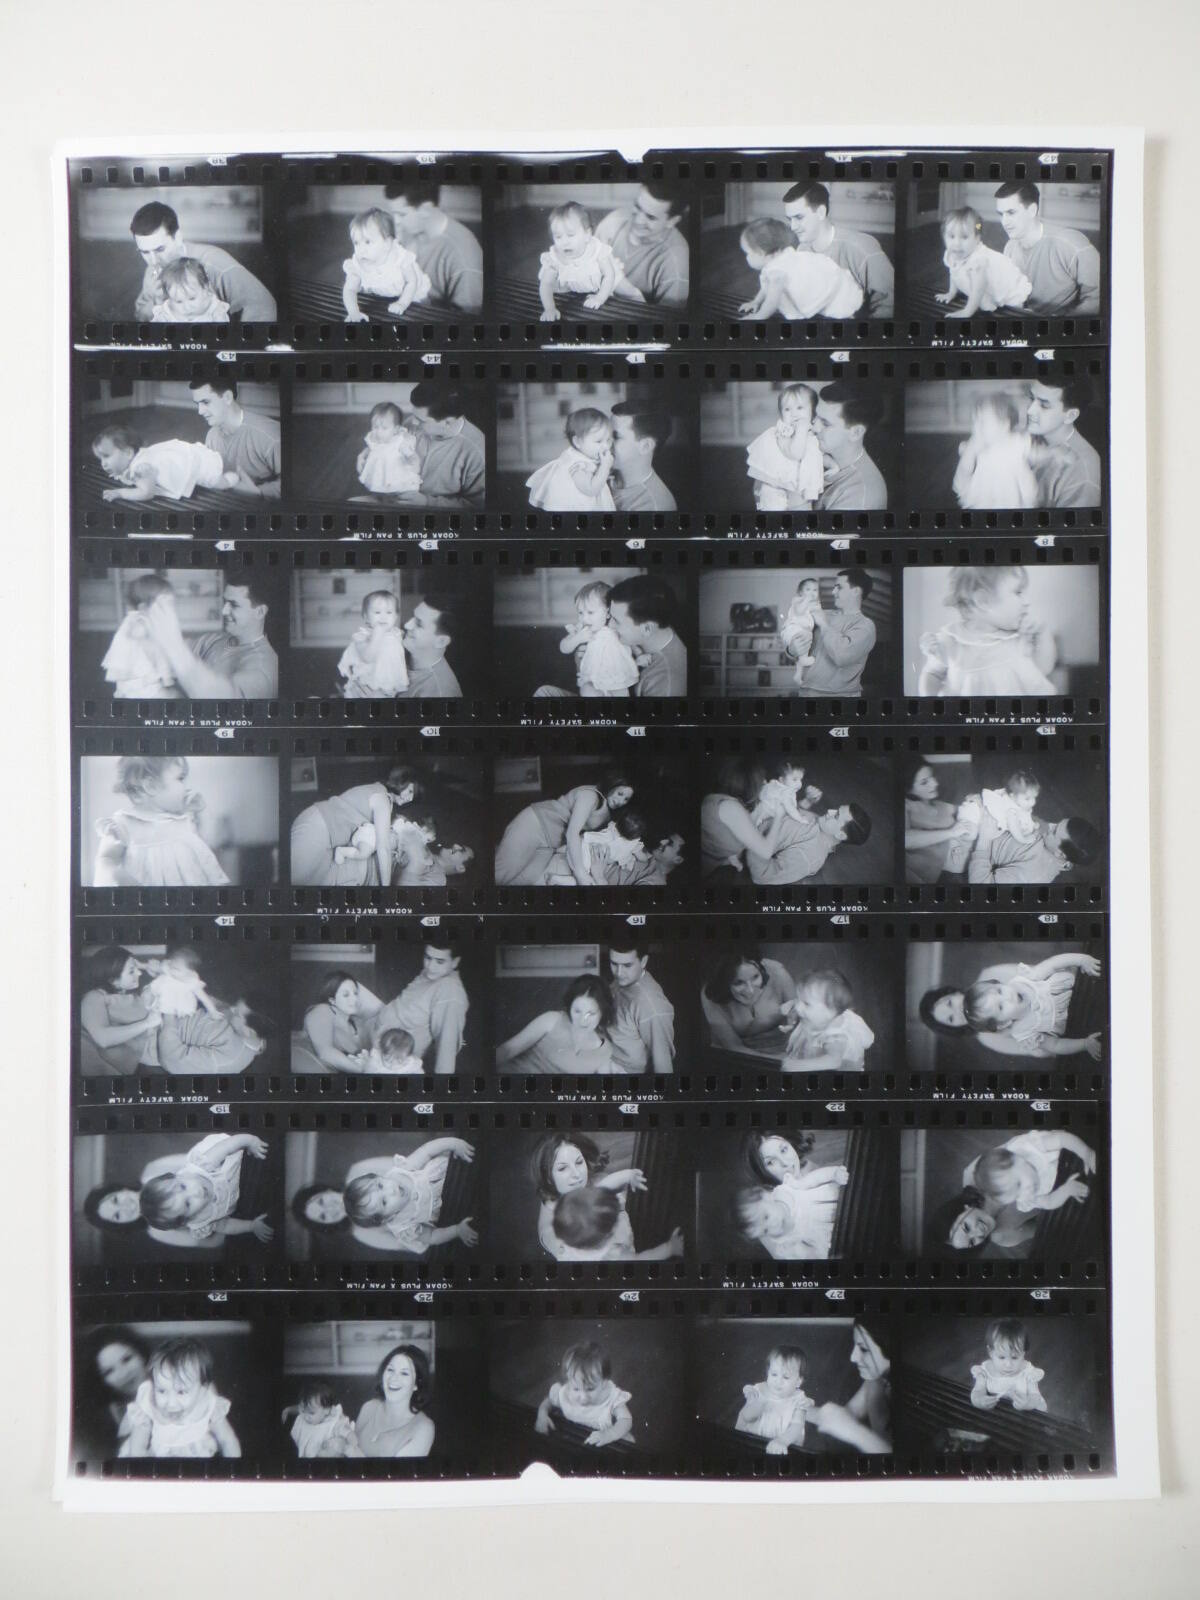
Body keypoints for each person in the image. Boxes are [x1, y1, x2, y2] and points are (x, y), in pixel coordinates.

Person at [919, 951, 1103, 1061]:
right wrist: (1035, 1047)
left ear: (953, 993)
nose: (958, 1011)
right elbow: (1051, 1049)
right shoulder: (994, 1038)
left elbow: (1049, 967)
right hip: (1075, 1026)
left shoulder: (997, 977)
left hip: (1078, 985)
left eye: (950, 1003)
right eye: (951, 1018)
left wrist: (1081, 961)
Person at [530, 1132, 682, 1262]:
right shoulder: (607, 1253)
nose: (576, 1174)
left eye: (579, 1162)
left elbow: (603, 1186)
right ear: (548, 1177)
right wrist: (669, 1248)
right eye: (563, 1168)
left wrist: (629, 1175)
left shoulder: (575, 1200)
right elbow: (638, 1260)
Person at [916, 566, 1057, 699]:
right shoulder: (951, 640)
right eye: (1018, 592)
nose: (1027, 602)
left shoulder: (1018, 636)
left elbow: (1043, 669)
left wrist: (1043, 634)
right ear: (983, 601)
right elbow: (932, 674)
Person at [92, 755, 229, 888]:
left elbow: (207, 846)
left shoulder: (183, 816)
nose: (185, 787)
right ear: (151, 786)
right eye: (180, 778)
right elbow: (106, 858)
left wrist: (200, 812)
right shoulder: (124, 823)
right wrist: (115, 875)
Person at [129, 201, 276, 323]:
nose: (153, 260)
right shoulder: (152, 269)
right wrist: (156, 301)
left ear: (178, 237)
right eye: (145, 252)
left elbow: (263, 304)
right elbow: (140, 316)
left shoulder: (214, 264)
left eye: (160, 249)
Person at [135, 576, 279, 700]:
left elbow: (219, 700)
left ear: (260, 612)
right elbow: (165, 652)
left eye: (234, 605)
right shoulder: (217, 640)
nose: (224, 611)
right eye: (225, 602)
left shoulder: (263, 668)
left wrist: (173, 641)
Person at [493, 770, 634, 887]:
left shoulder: (608, 813)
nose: (621, 801)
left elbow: (585, 837)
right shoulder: (590, 795)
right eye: (620, 794)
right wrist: (580, 873)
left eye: (626, 799)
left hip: (550, 844)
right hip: (535, 824)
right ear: (611, 785)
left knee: (524, 881)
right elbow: (572, 833)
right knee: (500, 875)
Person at [289, 764, 421, 888]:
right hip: (319, 825)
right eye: (410, 791)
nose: (410, 798)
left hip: (328, 837)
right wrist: (386, 889)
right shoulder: (382, 798)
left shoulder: (383, 797)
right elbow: (383, 847)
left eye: (413, 796)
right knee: (291, 879)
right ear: (400, 782)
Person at [338, 1138, 477, 1255]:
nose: (390, 1190)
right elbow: (431, 1236)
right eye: (384, 1201)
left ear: (379, 1177)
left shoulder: (401, 1171)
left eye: (380, 1185)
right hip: (454, 1204)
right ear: (388, 1218)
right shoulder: (404, 1227)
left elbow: (428, 1150)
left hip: (454, 1170)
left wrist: (453, 1144)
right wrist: (457, 1230)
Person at [783, 182, 894, 317]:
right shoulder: (802, 250)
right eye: (789, 219)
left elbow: (890, 304)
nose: (793, 227)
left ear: (821, 212)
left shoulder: (861, 247)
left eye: (799, 217)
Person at [733, 1131, 849, 1260]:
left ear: (790, 1142)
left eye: (784, 1150)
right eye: (770, 1162)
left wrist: (836, 1175)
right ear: (761, 1171)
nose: (785, 1162)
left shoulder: (801, 1177)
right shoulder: (766, 1222)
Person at [120, 1337, 241, 1458]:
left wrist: (232, 1467)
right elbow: (137, 1449)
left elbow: (228, 1440)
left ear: (202, 1389)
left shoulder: (208, 1404)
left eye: (181, 1392)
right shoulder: (149, 1403)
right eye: (161, 1391)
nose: (171, 1403)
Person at [994, 182, 1101, 317]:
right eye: (1001, 214)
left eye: (1011, 212)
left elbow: (1098, 298)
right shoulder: (1010, 247)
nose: (1004, 222)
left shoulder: (1071, 244)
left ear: (1032, 210)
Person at [369, 942, 471, 1077]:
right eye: (428, 958)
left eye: (440, 961)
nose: (430, 966)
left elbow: (447, 1045)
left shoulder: (450, 992)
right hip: (375, 1035)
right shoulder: (431, 974)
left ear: (455, 962)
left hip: (389, 1057)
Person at [384, 184, 484, 313]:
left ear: (426, 209)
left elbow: (466, 320)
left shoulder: (464, 258)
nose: (396, 221)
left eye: (402, 214)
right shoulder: (409, 230)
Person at [738, 217, 862, 321]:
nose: (746, 258)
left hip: (831, 291)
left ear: (763, 253)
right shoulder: (782, 257)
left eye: (748, 253)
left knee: (836, 310)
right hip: (832, 283)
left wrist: (758, 317)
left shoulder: (778, 271)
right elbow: (767, 287)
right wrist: (756, 302)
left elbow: (772, 301)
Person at [496, 974, 617, 1075]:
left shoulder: (604, 1051)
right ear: (570, 1006)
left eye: (591, 1013)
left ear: (603, 1012)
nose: (582, 1021)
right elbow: (508, 1050)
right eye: (577, 1011)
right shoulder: (552, 1019)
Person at [594, 184, 690, 307]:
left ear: (672, 221)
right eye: (638, 207)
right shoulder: (613, 221)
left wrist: (630, 293)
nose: (638, 221)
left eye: (651, 217)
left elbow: (667, 318)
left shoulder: (676, 264)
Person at [188, 371, 281, 498]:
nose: (200, 411)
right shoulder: (212, 435)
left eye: (206, 402)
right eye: (197, 404)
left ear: (227, 397)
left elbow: (292, 482)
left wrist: (260, 492)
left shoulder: (271, 436)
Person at [92, 424, 236, 504]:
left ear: (128, 453)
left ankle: (233, 477)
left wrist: (120, 493)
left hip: (197, 466)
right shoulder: (136, 458)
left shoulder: (141, 468)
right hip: (188, 458)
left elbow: (146, 493)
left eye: (106, 457)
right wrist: (119, 473)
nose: (103, 464)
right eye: (100, 459)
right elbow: (128, 475)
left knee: (219, 483)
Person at [537, 201, 631, 319]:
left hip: (605, 279)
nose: (564, 242)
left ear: (587, 235)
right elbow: (546, 284)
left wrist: (600, 298)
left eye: (570, 235)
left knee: (628, 293)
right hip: (577, 287)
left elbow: (609, 275)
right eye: (558, 237)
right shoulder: (555, 257)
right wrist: (549, 308)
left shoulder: (597, 251)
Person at [967, 803, 1102, 885]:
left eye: (1054, 830)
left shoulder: (1033, 874)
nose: (1051, 825)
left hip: (970, 847)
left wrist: (983, 838)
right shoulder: (1053, 843)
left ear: (1060, 854)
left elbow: (980, 884)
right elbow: (1032, 820)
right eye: (1057, 823)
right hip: (985, 824)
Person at [792, 569, 877, 698]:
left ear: (855, 591)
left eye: (839, 587)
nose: (833, 592)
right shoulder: (823, 614)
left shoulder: (865, 626)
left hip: (840, 696)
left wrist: (824, 624)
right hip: (806, 692)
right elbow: (799, 643)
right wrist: (791, 648)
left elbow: (842, 656)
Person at [935, 206, 1031, 318]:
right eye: (951, 236)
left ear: (977, 238)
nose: (957, 243)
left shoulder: (978, 260)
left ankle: (1027, 309)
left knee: (1016, 314)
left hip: (1013, 294)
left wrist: (967, 312)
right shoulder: (953, 254)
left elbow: (978, 288)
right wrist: (951, 293)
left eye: (964, 237)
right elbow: (954, 271)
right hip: (988, 289)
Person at [1025, 372, 1102, 509]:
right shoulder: (1029, 435)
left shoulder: (1083, 473)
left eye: (1044, 405)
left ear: (1070, 416)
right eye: (1031, 398)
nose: (1030, 410)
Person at [553, 579, 642, 696]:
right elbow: (563, 647)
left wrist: (640, 654)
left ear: (608, 613)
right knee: (587, 690)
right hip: (593, 679)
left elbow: (630, 640)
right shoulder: (582, 629)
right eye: (580, 613)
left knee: (621, 693)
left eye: (590, 612)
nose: (584, 618)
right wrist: (577, 638)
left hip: (617, 678)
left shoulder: (615, 626)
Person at [404, 381, 486, 509]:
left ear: (448, 422)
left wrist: (427, 502)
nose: (412, 422)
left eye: (420, 420)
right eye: (413, 415)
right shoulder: (410, 423)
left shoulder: (476, 450)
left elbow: (476, 504)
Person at [535, 1342, 633, 1447]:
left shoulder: (611, 1398)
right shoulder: (566, 1392)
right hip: (575, 1438)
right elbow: (549, 1401)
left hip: (606, 1442)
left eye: (590, 1389)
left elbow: (626, 1420)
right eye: (576, 1389)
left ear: (604, 1382)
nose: (583, 1397)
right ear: (569, 1381)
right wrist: (542, 1415)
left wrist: (608, 1435)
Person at [701, 950, 798, 1057]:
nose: (751, 991)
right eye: (738, 982)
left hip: (784, 1048)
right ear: (723, 983)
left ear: (760, 967)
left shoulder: (777, 972)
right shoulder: (711, 995)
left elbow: (799, 1020)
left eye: (755, 977)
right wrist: (778, 1061)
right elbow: (733, 1046)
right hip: (737, 1055)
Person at [952, 391, 1039, 510]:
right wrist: (970, 452)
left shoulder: (1016, 443)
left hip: (1011, 501)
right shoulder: (974, 447)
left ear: (1004, 425)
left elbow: (1034, 458)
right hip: (982, 501)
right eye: (974, 421)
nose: (976, 427)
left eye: (982, 422)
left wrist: (1053, 454)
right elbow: (962, 477)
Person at [342, 207, 430, 322]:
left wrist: (402, 303)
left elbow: (412, 282)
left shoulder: (400, 258)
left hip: (412, 293)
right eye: (356, 243)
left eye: (368, 242)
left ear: (387, 243)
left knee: (422, 313)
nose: (361, 250)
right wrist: (353, 312)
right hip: (383, 296)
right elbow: (349, 290)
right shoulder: (357, 264)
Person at [746, 384, 824, 511]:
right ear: (781, 415)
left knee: (803, 510)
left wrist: (832, 465)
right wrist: (801, 431)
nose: (794, 413)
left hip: (800, 487)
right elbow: (795, 453)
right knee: (774, 508)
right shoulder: (784, 432)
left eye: (800, 407)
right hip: (776, 485)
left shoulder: (812, 432)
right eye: (787, 409)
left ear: (813, 411)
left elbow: (817, 454)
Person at [812, 383, 888, 511]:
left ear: (855, 433)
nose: (813, 427)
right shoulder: (821, 453)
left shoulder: (858, 495)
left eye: (825, 424)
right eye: (815, 417)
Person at [780, 968, 874, 1072]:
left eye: (806, 1003)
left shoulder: (836, 1034)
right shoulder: (818, 1015)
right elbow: (800, 1009)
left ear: (830, 1012)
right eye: (799, 999)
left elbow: (834, 1061)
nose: (798, 1007)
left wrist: (799, 1066)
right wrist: (791, 1011)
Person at [101, 573, 179, 698]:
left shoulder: (135, 620)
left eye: (172, 604)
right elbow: (154, 651)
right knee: (175, 696)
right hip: (140, 686)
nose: (172, 610)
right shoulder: (140, 623)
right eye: (166, 605)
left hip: (134, 683)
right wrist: (166, 677)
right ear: (144, 607)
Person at [525, 407, 616, 512]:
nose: (605, 446)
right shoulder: (577, 464)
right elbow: (591, 490)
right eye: (599, 441)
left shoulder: (584, 454)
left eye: (608, 440)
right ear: (577, 442)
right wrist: (605, 467)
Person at [606, 943, 675, 1074]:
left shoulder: (651, 1006)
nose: (619, 973)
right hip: (605, 1057)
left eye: (627, 965)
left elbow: (663, 1064)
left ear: (643, 961)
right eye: (614, 963)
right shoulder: (625, 979)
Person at [355, 1344, 435, 1457]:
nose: (393, 1378)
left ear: (416, 1384)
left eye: (404, 1373)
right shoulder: (368, 1407)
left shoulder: (424, 1427)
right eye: (390, 1369)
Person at [904, 762, 977, 882]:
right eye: (924, 782)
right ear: (908, 789)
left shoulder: (938, 804)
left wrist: (973, 800)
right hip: (937, 874)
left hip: (962, 861)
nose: (935, 783)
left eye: (932, 776)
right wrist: (951, 832)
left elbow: (965, 809)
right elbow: (905, 839)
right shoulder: (906, 805)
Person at [735, 1345, 815, 1454]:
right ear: (768, 1372)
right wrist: (758, 1403)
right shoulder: (759, 1391)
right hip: (752, 1441)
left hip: (782, 1446)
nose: (778, 1381)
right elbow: (747, 1417)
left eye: (786, 1377)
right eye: (774, 1374)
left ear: (798, 1381)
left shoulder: (799, 1400)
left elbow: (797, 1427)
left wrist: (782, 1441)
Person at [299, 970, 383, 1072]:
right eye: (346, 995)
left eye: (355, 993)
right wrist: (364, 1070)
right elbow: (325, 1053)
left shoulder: (355, 1024)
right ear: (332, 1000)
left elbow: (379, 1010)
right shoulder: (322, 1010)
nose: (354, 999)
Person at [338, 589, 409, 697]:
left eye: (389, 612)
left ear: (395, 616)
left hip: (390, 685)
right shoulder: (362, 636)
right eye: (377, 612)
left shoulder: (397, 634)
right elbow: (367, 658)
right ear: (366, 617)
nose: (383, 617)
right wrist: (377, 634)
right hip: (367, 685)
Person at [609, 403, 678, 512]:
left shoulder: (653, 507)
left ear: (646, 446)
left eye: (616, 436)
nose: (604, 442)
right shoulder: (601, 472)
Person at [970, 1318, 1048, 1413]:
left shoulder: (1027, 1373)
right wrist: (980, 1401)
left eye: (1014, 1357)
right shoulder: (985, 1371)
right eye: (1001, 1357)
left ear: (1023, 1354)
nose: (1008, 1365)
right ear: (991, 1352)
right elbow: (977, 1391)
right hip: (999, 1413)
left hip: (1027, 1414)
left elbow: (1035, 1396)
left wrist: (1027, 1404)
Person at [396, 597, 463, 698]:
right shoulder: (401, 652)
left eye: (419, 624)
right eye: (412, 617)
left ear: (441, 641)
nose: (407, 625)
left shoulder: (439, 694)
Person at [356, 401, 423, 495]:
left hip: (396, 475)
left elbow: (412, 456)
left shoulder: (400, 440)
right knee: (378, 489)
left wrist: (412, 459)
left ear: (395, 429)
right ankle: (380, 496)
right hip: (379, 474)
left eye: (384, 428)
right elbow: (371, 448)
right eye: (375, 427)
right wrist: (362, 455)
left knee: (399, 492)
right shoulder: (374, 438)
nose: (378, 432)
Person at [282, 1382, 361, 1459]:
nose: (306, 1416)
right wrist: (288, 1410)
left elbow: (348, 1433)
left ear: (326, 1410)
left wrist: (352, 1445)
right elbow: (299, 1408)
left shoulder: (334, 1422)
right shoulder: (306, 1412)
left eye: (311, 1413)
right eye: (303, 1411)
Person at [150, 257, 230, 323]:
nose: (186, 307)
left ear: (205, 288)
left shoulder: (215, 310)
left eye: (192, 298)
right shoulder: (166, 313)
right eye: (178, 301)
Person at [778, 578, 821, 687]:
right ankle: (803, 660)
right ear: (801, 593)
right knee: (805, 642)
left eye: (815, 590)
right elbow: (799, 611)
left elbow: (818, 617)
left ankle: (798, 675)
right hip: (793, 628)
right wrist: (806, 600)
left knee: (804, 647)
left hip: (802, 630)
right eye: (808, 589)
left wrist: (816, 606)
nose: (812, 592)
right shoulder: (798, 601)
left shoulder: (814, 603)